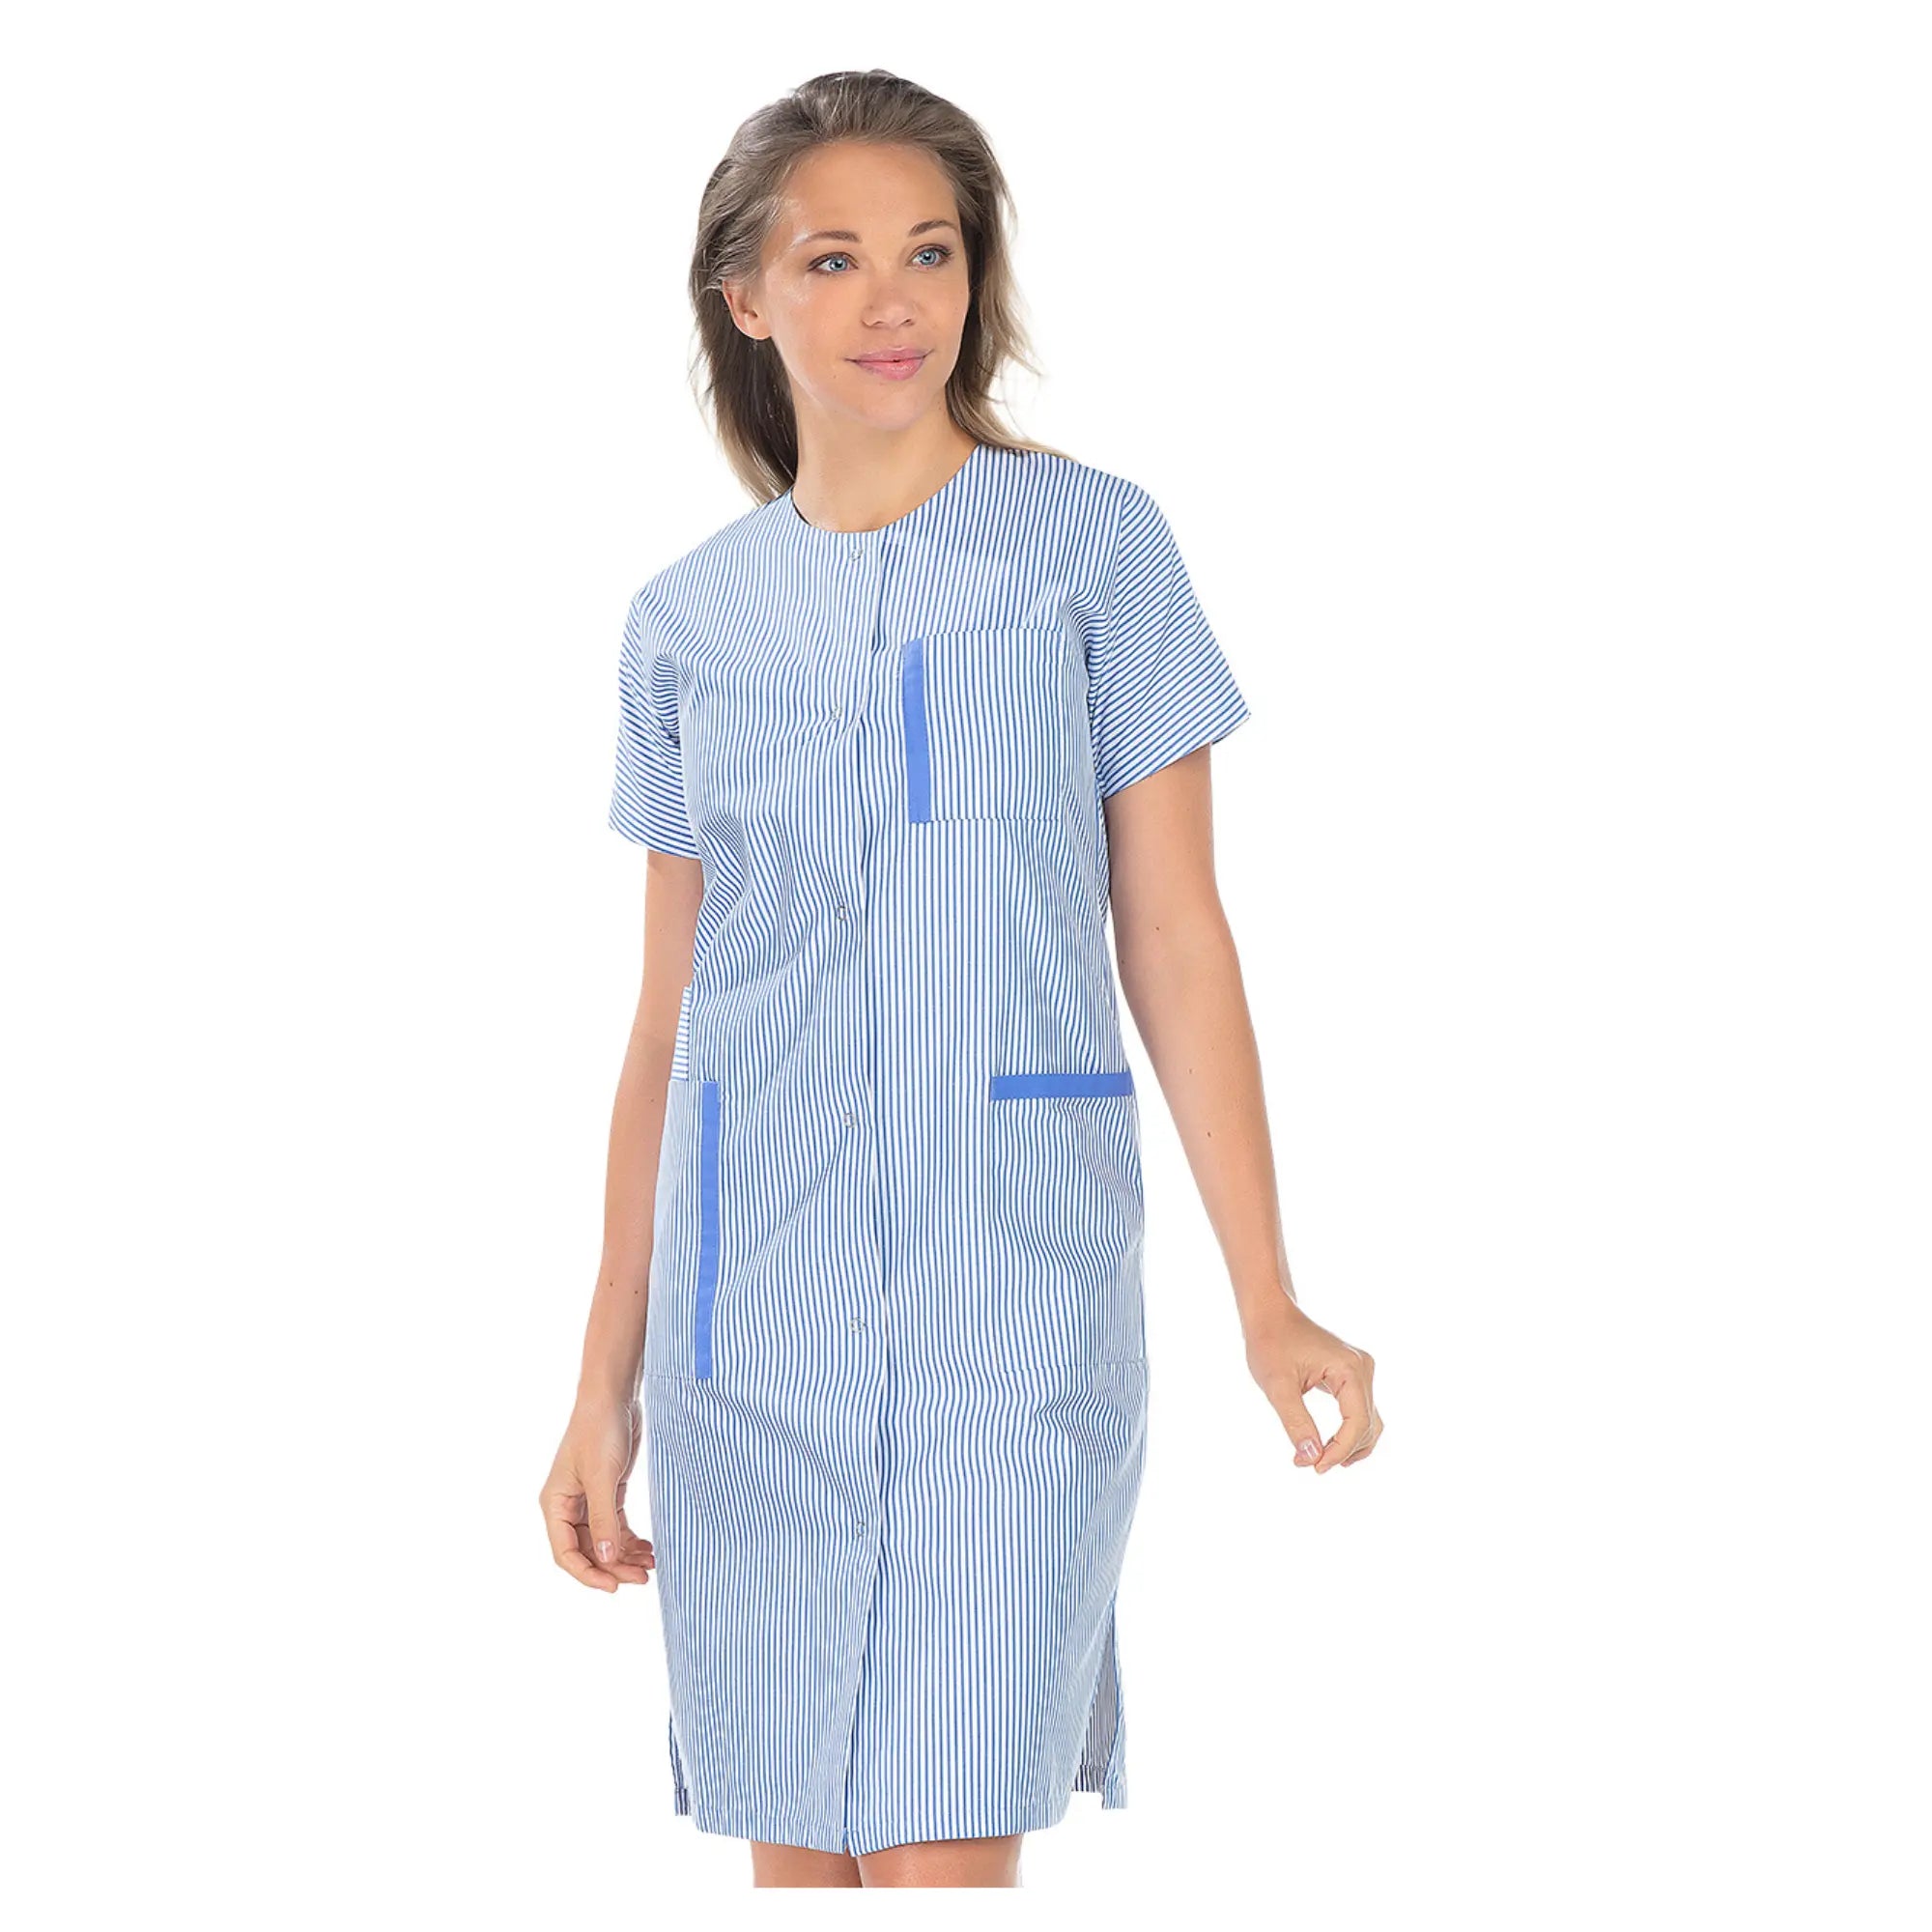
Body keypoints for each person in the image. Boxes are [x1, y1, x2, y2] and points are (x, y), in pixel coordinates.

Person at [539, 69, 1384, 1890]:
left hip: (1014, 1290)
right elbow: (666, 1030)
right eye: (832, 259)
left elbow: (1177, 935)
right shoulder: (687, 622)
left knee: (942, 1841)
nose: (892, 301)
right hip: (748, 1321)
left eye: (931, 252)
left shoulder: (1095, 550)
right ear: (744, 297)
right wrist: (603, 1383)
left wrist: (1269, 1300)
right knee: (797, 1853)